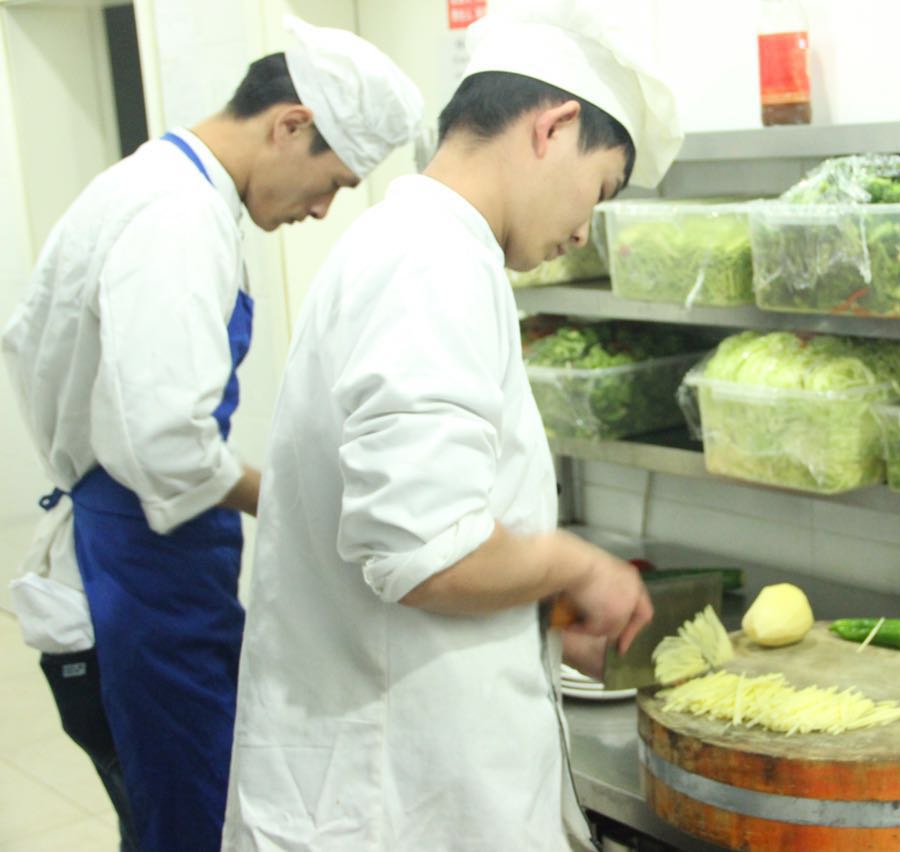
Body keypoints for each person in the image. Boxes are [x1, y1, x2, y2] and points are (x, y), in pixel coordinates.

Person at [220, 1, 683, 849]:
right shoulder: (428, 264)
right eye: (600, 189)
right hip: (392, 803)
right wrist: (576, 565)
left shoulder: (424, 248)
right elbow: (428, 553)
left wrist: (539, 619)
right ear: (554, 126)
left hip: (405, 769)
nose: (584, 229)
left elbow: (429, 517)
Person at [2, 16, 423, 852]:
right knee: (191, 822)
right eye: (331, 183)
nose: (321, 210)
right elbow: (162, 441)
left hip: (152, 560)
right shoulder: (175, 216)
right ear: (290, 125)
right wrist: (291, 501)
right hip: (143, 582)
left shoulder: (161, 187)